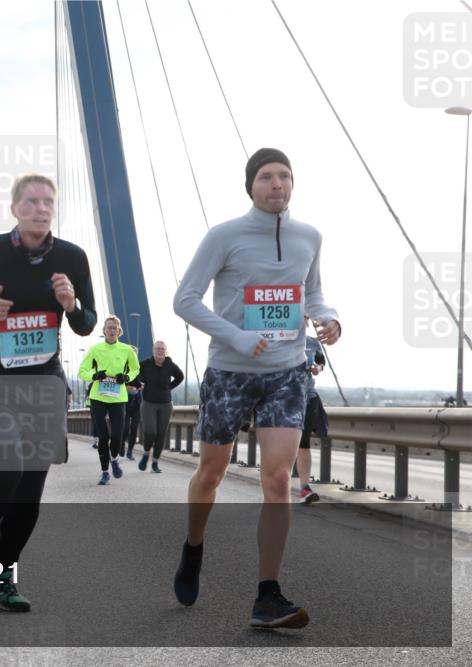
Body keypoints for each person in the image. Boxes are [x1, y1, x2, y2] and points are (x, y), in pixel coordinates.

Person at [172, 148, 341, 629]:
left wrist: (328, 319)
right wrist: (238, 337)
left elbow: (312, 293)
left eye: (285, 176)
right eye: (267, 177)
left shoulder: (310, 236)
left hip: (287, 374)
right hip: (229, 372)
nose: (277, 184)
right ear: (250, 186)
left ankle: (268, 595)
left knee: (276, 481)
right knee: (211, 473)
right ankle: (193, 548)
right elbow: (184, 300)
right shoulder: (224, 236)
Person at [0, 173, 97, 611]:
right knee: (7, 467)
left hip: (44, 383)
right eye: (31, 201)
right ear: (15, 209)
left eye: (47, 202)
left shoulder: (73, 257)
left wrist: (72, 305)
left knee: (32, 486)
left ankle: (2, 576)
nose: (40, 208)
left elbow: (88, 323)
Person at [78, 316, 140, 485]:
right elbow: (82, 372)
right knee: (103, 436)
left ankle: (114, 459)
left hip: (118, 397)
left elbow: (136, 369)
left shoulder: (127, 350)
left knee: (117, 435)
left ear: (119, 331)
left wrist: (126, 377)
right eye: (109, 328)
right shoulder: (95, 349)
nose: (112, 330)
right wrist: (94, 375)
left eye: (114, 328)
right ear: (104, 331)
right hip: (98, 396)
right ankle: (105, 472)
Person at [137, 340, 184, 473]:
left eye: (162, 349)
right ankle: (146, 453)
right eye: (158, 348)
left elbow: (180, 377)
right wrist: (140, 383)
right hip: (148, 403)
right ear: (153, 350)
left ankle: (155, 463)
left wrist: (169, 387)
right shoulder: (146, 364)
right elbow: (137, 375)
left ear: (165, 351)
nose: (160, 351)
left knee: (161, 434)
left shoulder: (170, 364)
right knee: (151, 432)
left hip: (165, 404)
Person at [296, 335, 327, 504]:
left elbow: (321, 362)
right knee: (283, 444)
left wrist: (318, 368)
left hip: (308, 397)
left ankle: (305, 488)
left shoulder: (312, 342)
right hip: (282, 397)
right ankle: (275, 485)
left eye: (305, 317)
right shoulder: (277, 336)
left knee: (303, 443)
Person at [122, 345, 143, 460]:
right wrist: (125, 387)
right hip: (125, 401)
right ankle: (121, 446)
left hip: (137, 402)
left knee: (134, 428)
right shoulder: (122, 367)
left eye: (135, 353)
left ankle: (130, 451)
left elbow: (144, 383)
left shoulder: (140, 368)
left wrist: (140, 386)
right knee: (125, 428)